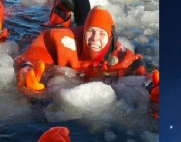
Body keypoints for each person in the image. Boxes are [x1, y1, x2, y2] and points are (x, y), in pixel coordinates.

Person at [14, 6, 147, 96]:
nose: (95, 39)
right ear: (84, 33)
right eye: (91, 32)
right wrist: (26, 68)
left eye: (102, 34)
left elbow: (140, 73)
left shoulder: (120, 55)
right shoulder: (62, 40)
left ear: (110, 38)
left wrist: (152, 89)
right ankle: (63, 13)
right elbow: (31, 56)